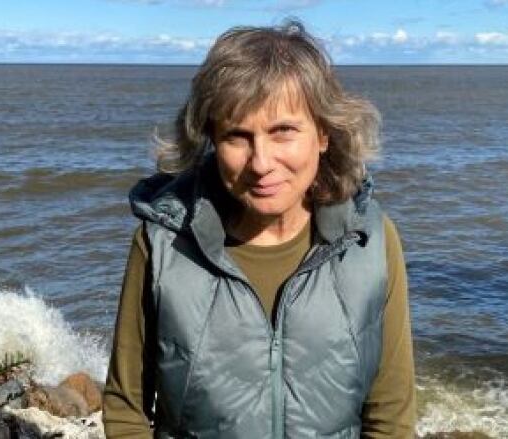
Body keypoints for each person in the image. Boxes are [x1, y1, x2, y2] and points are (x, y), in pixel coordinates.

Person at [103, 19, 416, 438]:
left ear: (322, 133)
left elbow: (390, 414)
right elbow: (126, 409)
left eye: (283, 131)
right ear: (212, 138)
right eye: (238, 136)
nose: (261, 162)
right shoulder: (161, 244)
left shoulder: (370, 242)